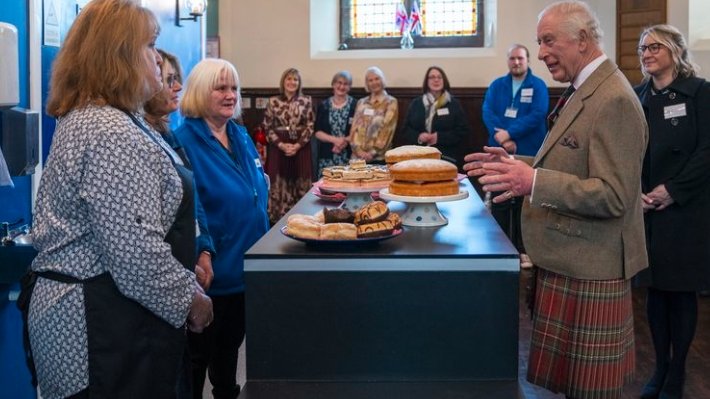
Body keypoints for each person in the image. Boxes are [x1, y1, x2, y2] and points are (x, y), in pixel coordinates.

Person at [24, 1, 213, 398]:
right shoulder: (109, 130)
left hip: (101, 319)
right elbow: (134, 254)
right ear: (120, 58)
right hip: (98, 330)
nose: (158, 60)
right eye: (150, 47)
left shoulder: (102, 118)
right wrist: (190, 299)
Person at [464, 2, 648, 398]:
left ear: (582, 39)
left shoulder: (613, 98)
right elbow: (570, 160)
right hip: (570, 260)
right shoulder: (586, 89)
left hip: (592, 269)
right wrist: (517, 164)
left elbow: (615, 195)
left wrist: (533, 181)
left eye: (548, 41)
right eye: (539, 42)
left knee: (591, 392)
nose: (542, 52)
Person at [175, 58, 270, 399]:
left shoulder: (238, 133)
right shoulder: (183, 140)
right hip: (213, 271)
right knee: (199, 359)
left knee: (230, 353)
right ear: (201, 92)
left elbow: (255, 183)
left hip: (246, 268)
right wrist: (204, 248)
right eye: (221, 88)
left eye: (234, 88)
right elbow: (191, 204)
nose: (231, 95)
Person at [634, 25, 710, 399]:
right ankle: (659, 367)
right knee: (655, 291)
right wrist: (639, 193)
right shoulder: (637, 97)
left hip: (686, 207)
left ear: (676, 50)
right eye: (642, 48)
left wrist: (672, 191)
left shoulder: (700, 92)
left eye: (655, 47)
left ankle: (677, 370)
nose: (646, 53)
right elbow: (627, 153)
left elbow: (707, 151)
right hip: (647, 207)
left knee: (680, 293)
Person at [144, 48, 215, 290]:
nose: (177, 88)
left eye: (178, 80)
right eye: (169, 80)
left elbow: (191, 198)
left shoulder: (169, 136)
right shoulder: (139, 140)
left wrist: (204, 248)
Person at [481, 45, 549, 268]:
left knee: (523, 205)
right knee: (500, 201)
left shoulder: (537, 86)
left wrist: (511, 134)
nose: (516, 62)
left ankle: (523, 249)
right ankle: (501, 247)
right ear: (507, 61)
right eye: (512, 58)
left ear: (528, 60)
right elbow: (487, 112)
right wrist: (501, 138)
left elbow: (538, 114)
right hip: (499, 151)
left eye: (520, 58)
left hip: (527, 151)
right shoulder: (497, 85)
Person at [262, 67, 314, 224]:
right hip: (278, 148)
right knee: (279, 181)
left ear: (299, 83)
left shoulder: (306, 101)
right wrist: (282, 145)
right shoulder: (273, 101)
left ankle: (302, 217)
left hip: (301, 148)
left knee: (300, 180)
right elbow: (267, 126)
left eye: (295, 80)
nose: (292, 82)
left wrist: (297, 145)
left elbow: (310, 126)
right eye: (289, 79)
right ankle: (278, 219)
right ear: (283, 82)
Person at [401, 66, 470, 170]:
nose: (436, 80)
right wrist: (419, 137)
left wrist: (439, 137)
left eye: (439, 77)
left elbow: (463, 131)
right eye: (432, 77)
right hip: (418, 157)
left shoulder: (453, 104)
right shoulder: (416, 103)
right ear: (426, 82)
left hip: (446, 157)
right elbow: (405, 130)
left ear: (444, 81)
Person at [348, 66, 398, 164]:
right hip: (357, 158)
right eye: (370, 80)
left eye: (377, 79)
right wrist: (358, 151)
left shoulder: (391, 102)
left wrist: (371, 153)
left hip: (378, 159)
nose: (374, 82)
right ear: (367, 83)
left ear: (382, 80)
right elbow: (354, 129)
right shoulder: (361, 102)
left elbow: (387, 130)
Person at [313, 70, 356, 178]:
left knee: (347, 188)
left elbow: (359, 129)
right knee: (326, 190)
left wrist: (345, 141)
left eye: (345, 84)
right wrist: (336, 141)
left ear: (349, 87)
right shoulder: (324, 105)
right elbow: (317, 132)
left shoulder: (355, 105)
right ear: (333, 84)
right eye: (339, 83)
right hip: (327, 156)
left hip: (349, 156)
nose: (342, 86)